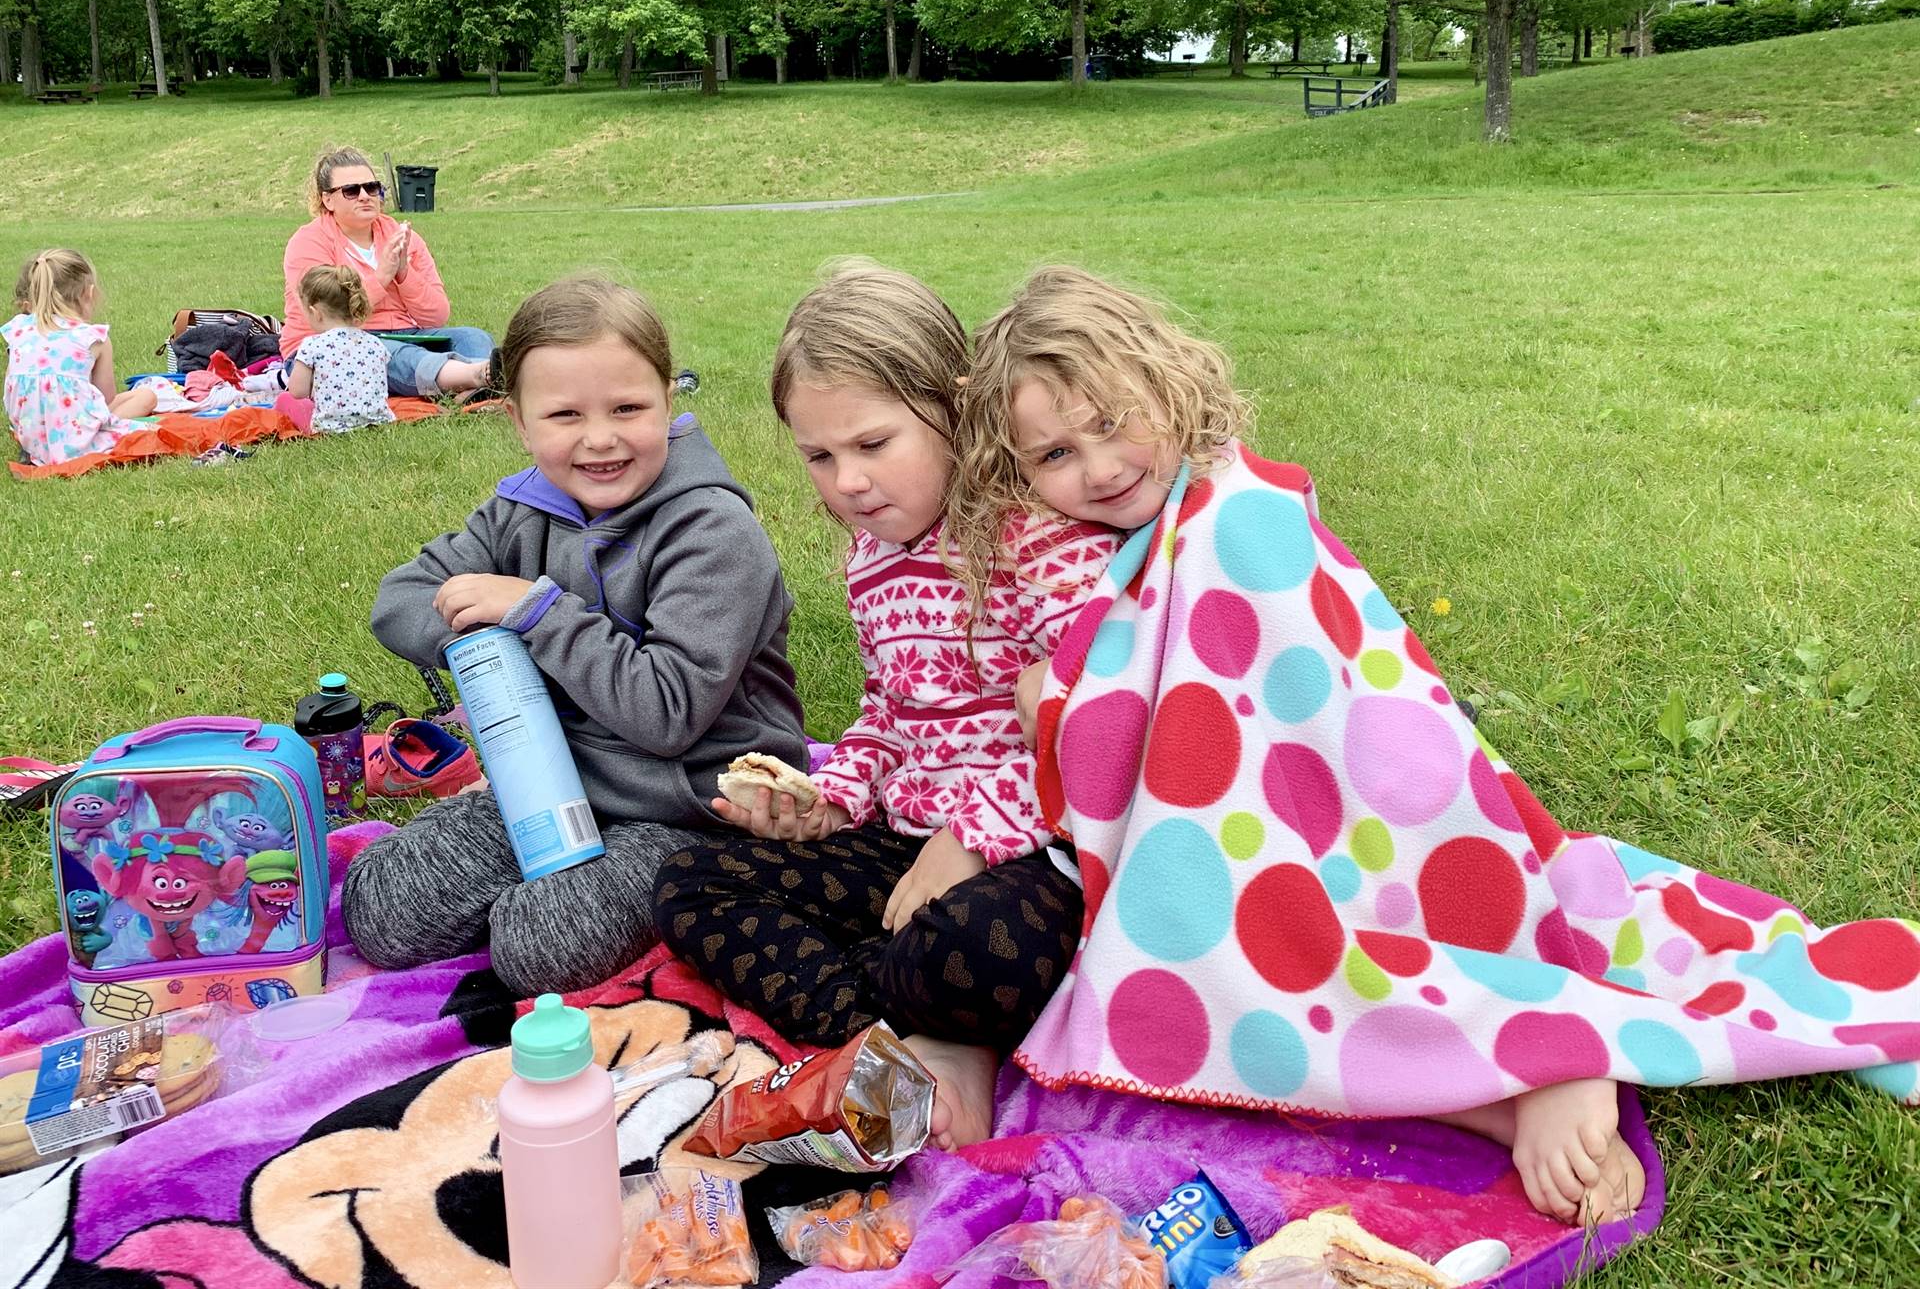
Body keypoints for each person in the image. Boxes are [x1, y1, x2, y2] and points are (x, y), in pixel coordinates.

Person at [959, 266, 1648, 1227]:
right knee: (1203, 967)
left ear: (1171, 385)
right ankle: (1493, 1095)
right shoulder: (1091, 547)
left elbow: (1306, 674)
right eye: (1058, 454)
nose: (1101, 466)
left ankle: (1541, 1048)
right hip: (1230, 836)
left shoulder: (1240, 506)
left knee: (1258, 946)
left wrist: (1074, 700)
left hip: (1348, 818)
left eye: (1114, 422)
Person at [652, 262, 1121, 1152]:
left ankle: (933, 1014)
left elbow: (1098, 733)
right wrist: (834, 796)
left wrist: (973, 840)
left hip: (1039, 854)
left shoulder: (1041, 540)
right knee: (690, 882)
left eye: (874, 444)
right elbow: (887, 711)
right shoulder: (872, 560)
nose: (850, 482)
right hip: (912, 843)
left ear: (952, 408)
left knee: (979, 947)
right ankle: (898, 1025)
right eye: (820, 457)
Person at [342, 276, 808, 995]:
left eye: (628, 407)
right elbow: (400, 599)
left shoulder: (714, 531)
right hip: (550, 788)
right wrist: (503, 655)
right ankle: (522, 885)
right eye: (563, 415)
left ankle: (667, 893)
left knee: (539, 946)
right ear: (521, 425)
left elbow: (666, 714)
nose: (600, 439)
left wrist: (536, 613)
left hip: (696, 811)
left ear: (667, 400)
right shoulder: (522, 510)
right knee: (381, 909)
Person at [281, 146, 493, 399]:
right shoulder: (309, 242)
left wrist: (404, 273)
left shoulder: (401, 236)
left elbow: (436, 316)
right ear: (327, 200)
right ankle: (476, 377)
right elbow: (328, 318)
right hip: (331, 344)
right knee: (385, 351)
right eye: (351, 190)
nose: (364, 196)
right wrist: (383, 276)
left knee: (472, 336)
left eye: (371, 188)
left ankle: (474, 384)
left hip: (406, 334)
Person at [3, 249, 157, 467]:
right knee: (146, 397)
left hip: (30, 435)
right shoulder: (93, 338)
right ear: (89, 293)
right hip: (73, 440)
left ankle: (44, 441)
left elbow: (12, 391)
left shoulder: (17, 330)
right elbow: (106, 399)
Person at [281, 265, 396, 435]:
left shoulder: (312, 345)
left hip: (330, 429)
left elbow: (297, 391)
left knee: (284, 400)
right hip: (378, 423)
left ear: (315, 312)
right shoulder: (376, 343)